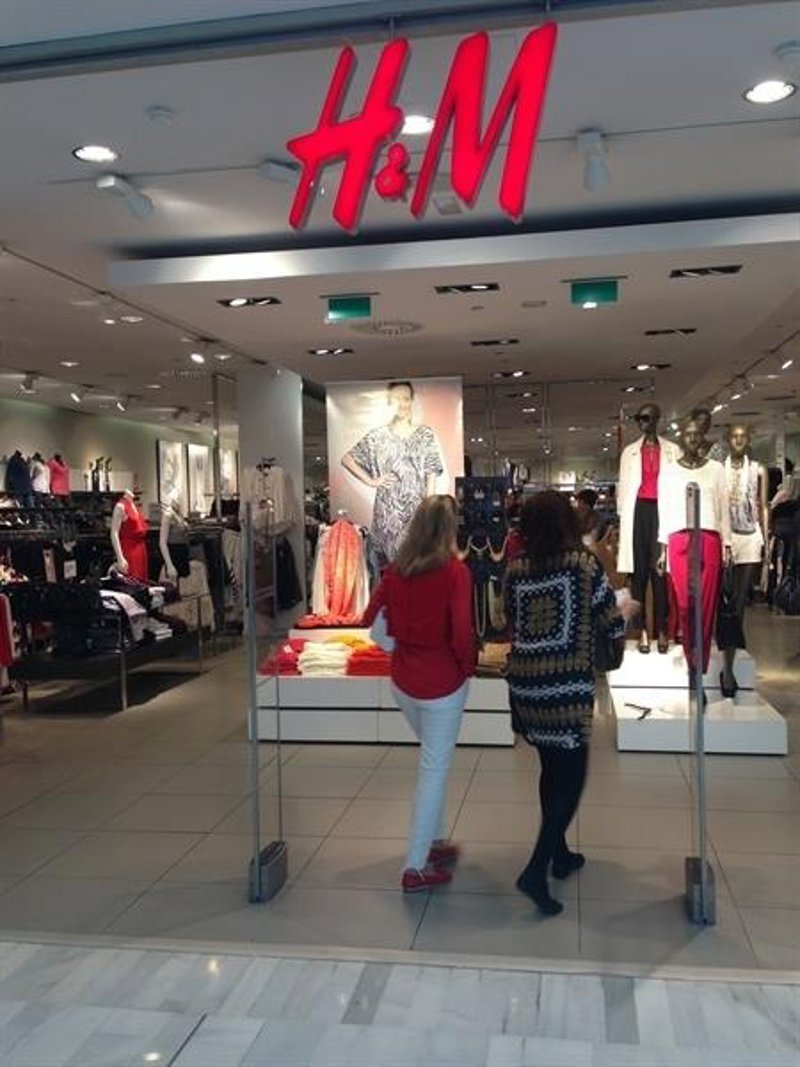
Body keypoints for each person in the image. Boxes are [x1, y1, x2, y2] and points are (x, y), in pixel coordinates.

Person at [504, 491, 628, 916]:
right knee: (572, 779)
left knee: (550, 768)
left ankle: (559, 854)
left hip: (526, 687)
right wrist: (618, 637)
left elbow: (510, 620)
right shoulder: (584, 564)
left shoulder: (515, 568)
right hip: (566, 688)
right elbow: (609, 620)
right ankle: (535, 869)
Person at [362, 495, 475, 893]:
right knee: (433, 770)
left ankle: (436, 842)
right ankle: (415, 867)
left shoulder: (396, 570)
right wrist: (466, 669)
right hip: (442, 684)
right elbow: (461, 632)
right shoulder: (456, 573)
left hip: (404, 683)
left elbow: (369, 618)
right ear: (450, 528)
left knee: (432, 761)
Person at [342, 380, 444, 566]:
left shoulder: (425, 435)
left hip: (416, 513)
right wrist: (372, 481)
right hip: (387, 515)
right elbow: (347, 459)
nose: (402, 403)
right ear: (389, 402)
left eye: (406, 398)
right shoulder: (377, 436)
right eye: (397, 399)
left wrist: (429, 511)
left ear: (412, 400)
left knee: (417, 568)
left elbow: (431, 473)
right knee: (389, 570)